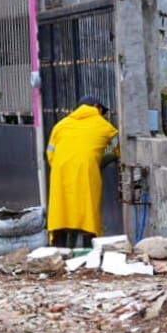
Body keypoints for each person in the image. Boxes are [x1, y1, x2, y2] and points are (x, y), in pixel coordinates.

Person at [46, 96, 119, 249]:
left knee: (61, 213)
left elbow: (50, 154)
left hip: (60, 174)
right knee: (88, 215)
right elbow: (119, 148)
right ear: (97, 107)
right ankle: (88, 252)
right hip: (86, 173)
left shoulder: (60, 125)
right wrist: (102, 159)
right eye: (102, 111)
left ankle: (59, 252)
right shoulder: (105, 126)